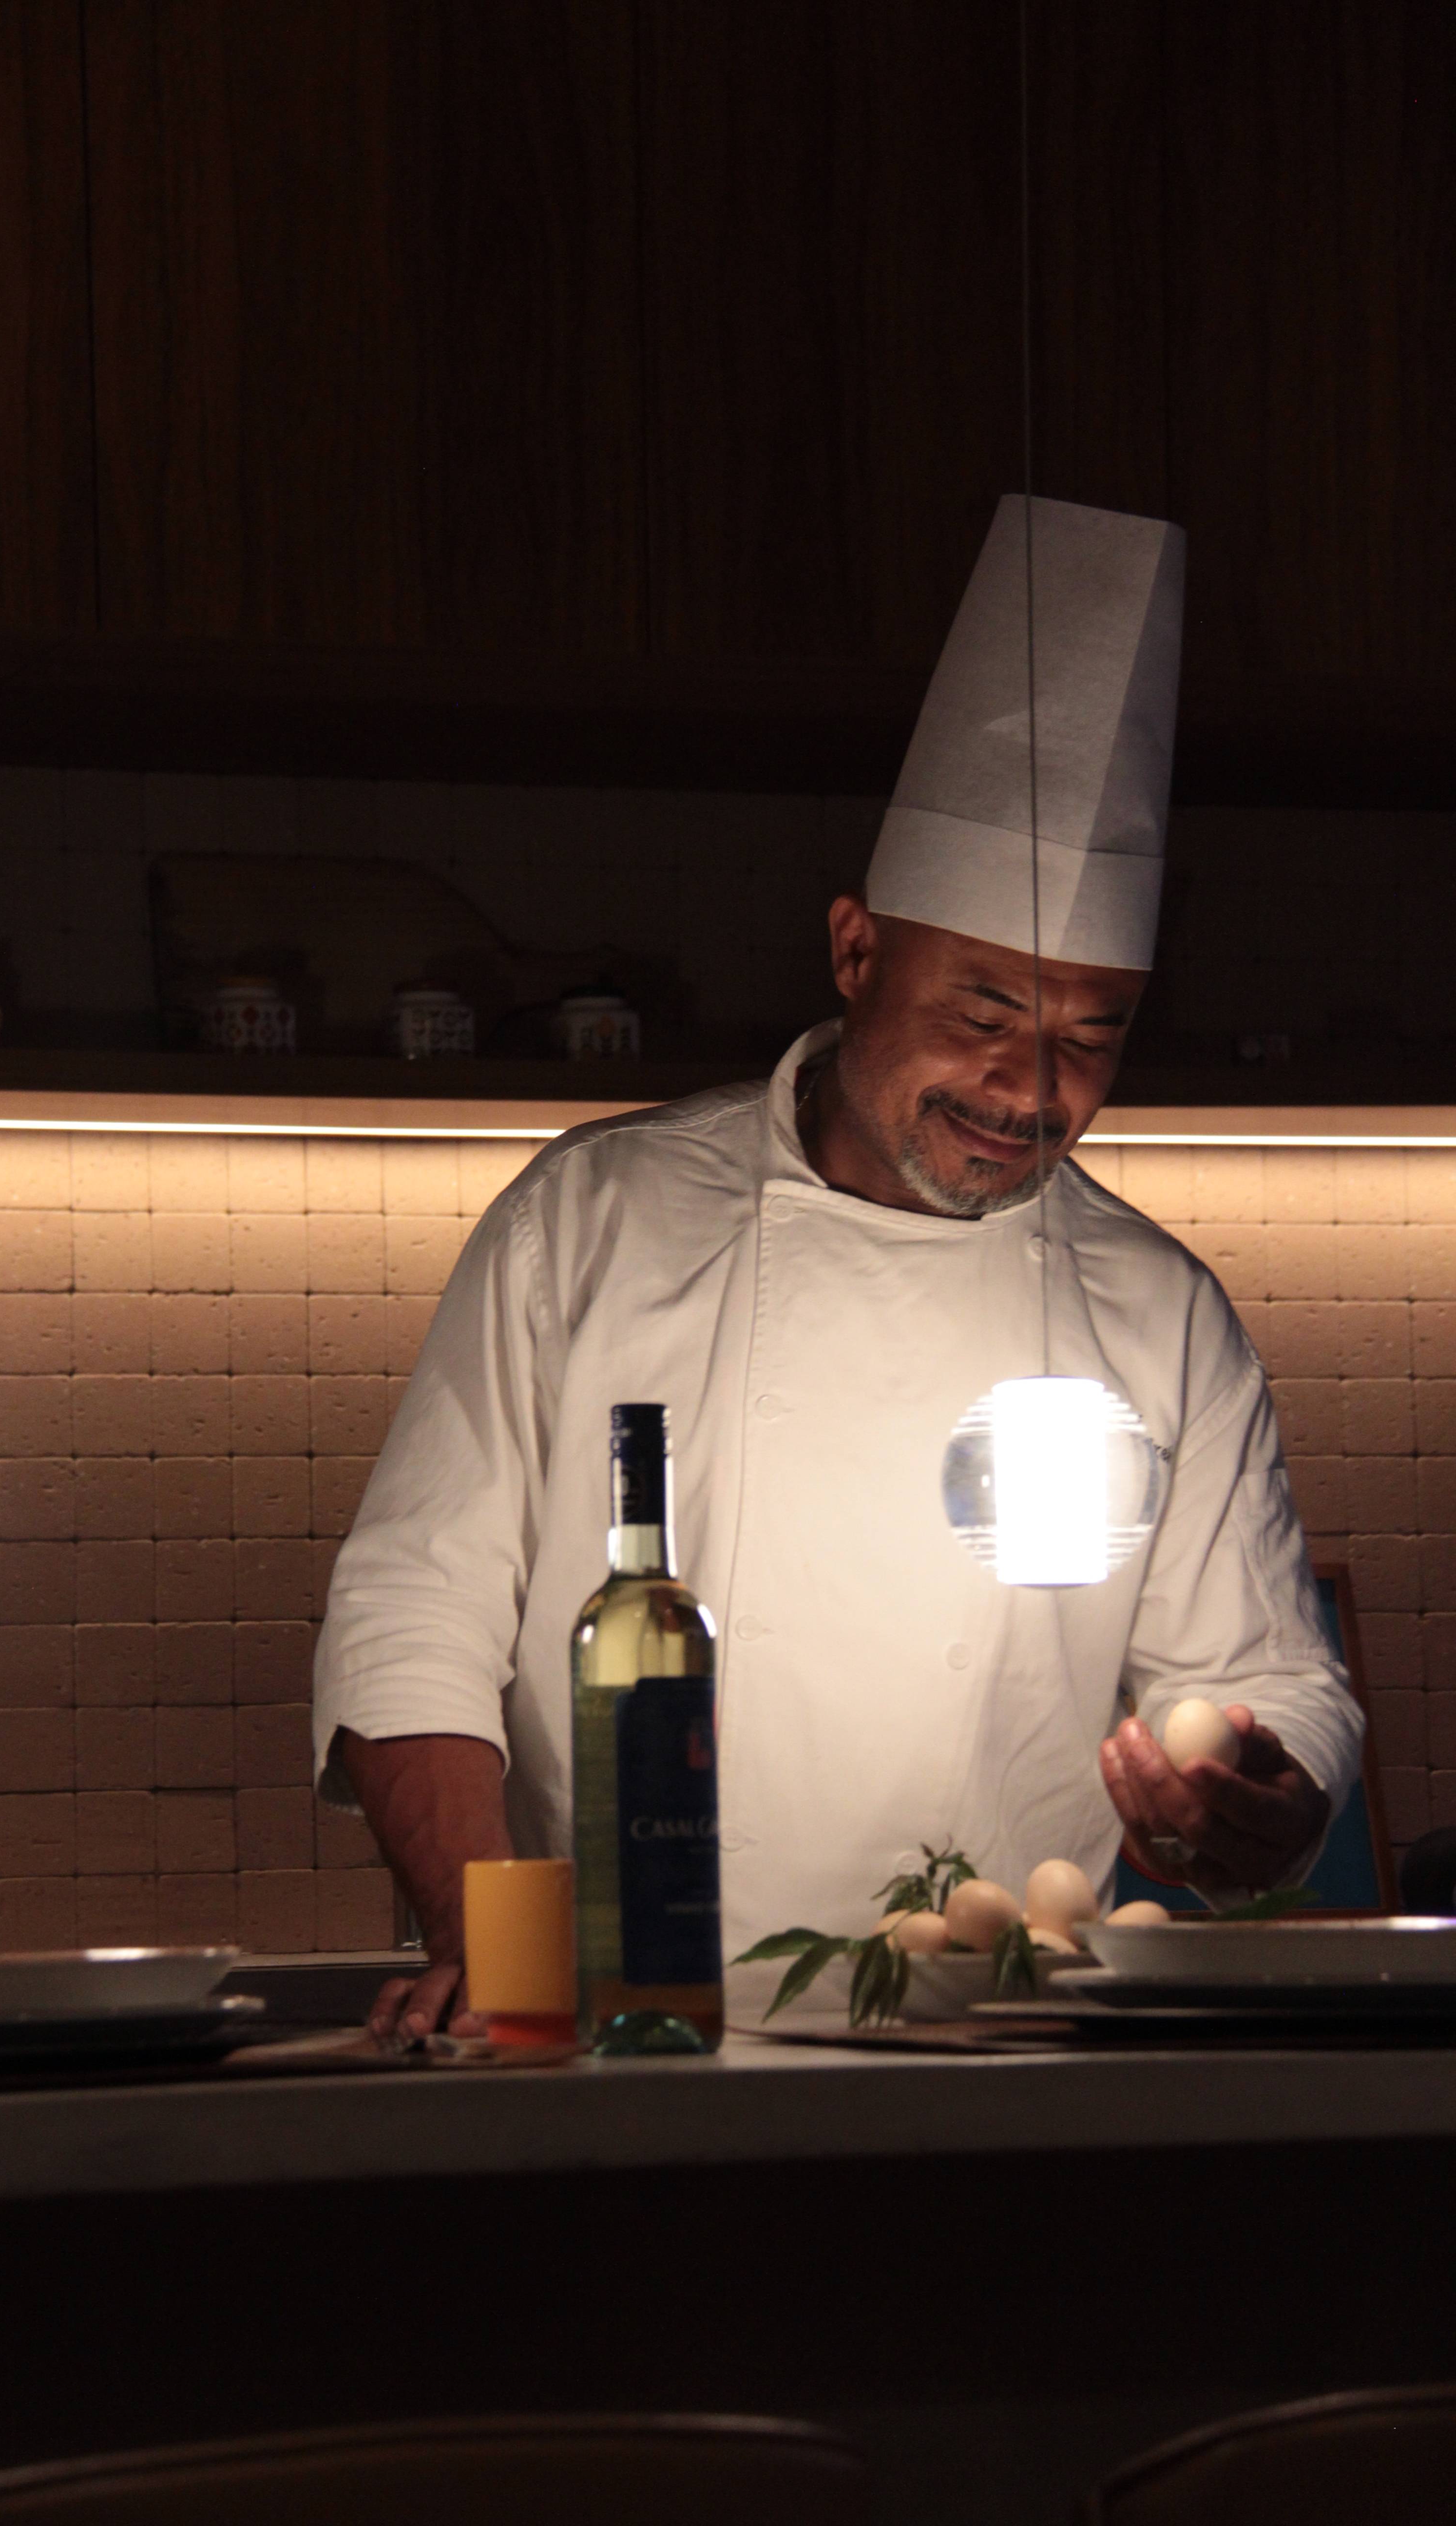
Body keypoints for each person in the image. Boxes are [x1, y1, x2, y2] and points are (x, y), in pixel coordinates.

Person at [315, 495, 1362, 2039]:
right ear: (858, 951)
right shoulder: (589, 1221)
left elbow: (1280, 1678)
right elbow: (414, 1616)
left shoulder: (1161, 1314)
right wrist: (493, 1949)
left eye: (1089, 1037)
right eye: (983, 1012)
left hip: (1010, 2062)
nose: (1028, 1088)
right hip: (620, 2044)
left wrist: (1266, 1802)